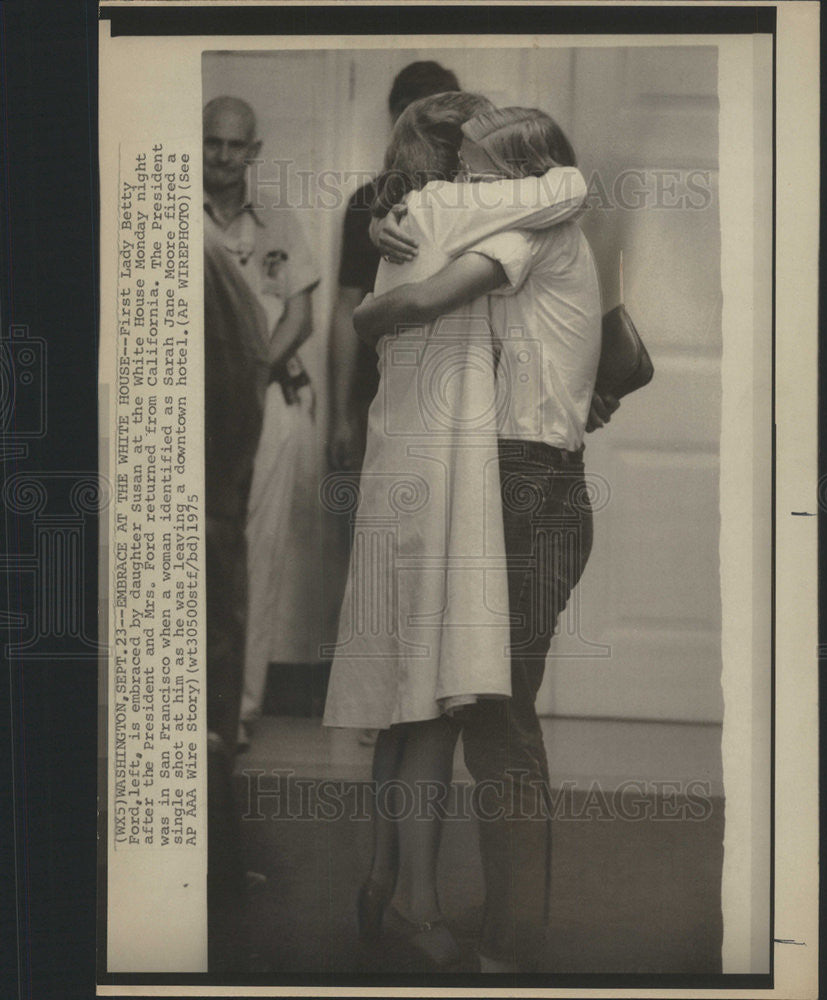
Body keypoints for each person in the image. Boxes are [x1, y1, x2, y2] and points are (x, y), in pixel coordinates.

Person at [322, 92, 591, 970]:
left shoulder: (437, 219)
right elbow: (566, 187)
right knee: (446, 701)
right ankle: (429, 907)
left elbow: (402, 306)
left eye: (486, 162)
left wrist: (370, 292)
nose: (472, 171)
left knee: (428, 702)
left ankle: (402, 891)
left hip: (452, 467)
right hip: (467, 474)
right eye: (466, 156)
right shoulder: (469, 216)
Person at [326, 61, 461, 746]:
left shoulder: (483, 194)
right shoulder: (367, 203)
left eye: (439, 116)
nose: (425, 132)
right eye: (414, 114)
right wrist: (340, 413)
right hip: (383, 400)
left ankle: (431, 704)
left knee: (443, 559)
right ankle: (379, 708)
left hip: (453, 406)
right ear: (396, 120)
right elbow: (348, 309)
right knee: (379, 556)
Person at [201, 96, 321, 748]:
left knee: (256, 549)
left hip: (265, 398)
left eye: (233, 145)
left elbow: (300, 317)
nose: (221, 157)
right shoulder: (172, 215)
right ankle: (189, 706)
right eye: (210, 143)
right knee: (195, 550)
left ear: (254, 151)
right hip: (190, 407)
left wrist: (252, 374)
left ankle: (238, 709)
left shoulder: (277, 221)